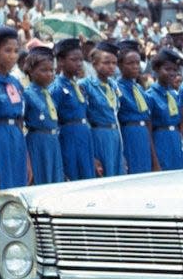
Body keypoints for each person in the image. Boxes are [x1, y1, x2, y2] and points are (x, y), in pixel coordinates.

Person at [0, 25, 31, 279]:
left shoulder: (15, 82)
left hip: (16, 141)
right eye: (7, 51)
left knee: (16, 207)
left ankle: (15, 264)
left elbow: (21, 121)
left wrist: (28, 160)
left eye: (15, 50)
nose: (13, 56)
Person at [49, 38, 95, 181]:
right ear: (61, 61)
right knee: (73, 176)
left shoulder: (77, 86)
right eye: (74, 60)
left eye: (81, 60)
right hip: (68, 137)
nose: (79, 64)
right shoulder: (56, 88)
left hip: (84, 135)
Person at [82, 42, 125, 178]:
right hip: (98, 135)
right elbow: (84, 117)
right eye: (106, 62)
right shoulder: (85, 85)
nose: (111, 66)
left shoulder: (113, 85)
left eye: (114, 63)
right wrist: (91, 154)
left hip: (115, 135)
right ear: (94, 64)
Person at [23, 47, 65, 185]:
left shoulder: (49, 94)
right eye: (44, 70)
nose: (49, 74)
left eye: (52, 70)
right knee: (41, 178)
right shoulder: (28, 94)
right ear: (30, 70)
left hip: (53, 142)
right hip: (37, 142)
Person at [116, 45, 159, 174]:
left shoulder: (139, 89)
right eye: (130, 63)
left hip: (143, 135)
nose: (135, 66)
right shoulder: (117, 88)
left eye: (137, 62)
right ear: (120, 65)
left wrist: (154, 159)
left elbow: (147, 120)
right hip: (129, 134)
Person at [146, 48, 183, 170]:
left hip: (175, 142)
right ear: (157, 69)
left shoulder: (174, 95)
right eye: (167, 69)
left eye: (174, 70)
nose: (172, 73)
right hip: (161, 142)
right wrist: (155, 161)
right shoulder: (150, 95)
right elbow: (149, 131)